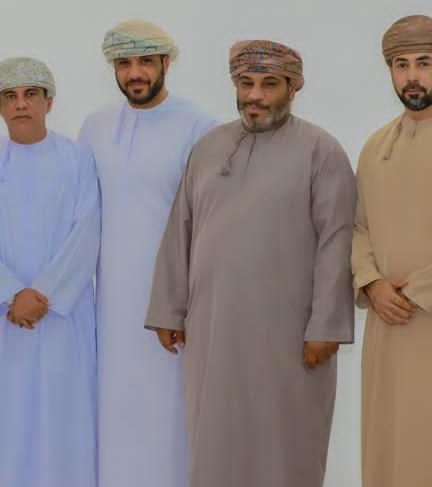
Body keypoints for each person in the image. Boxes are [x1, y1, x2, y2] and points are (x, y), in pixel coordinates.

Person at [146, 40, 356, 487]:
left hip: (288, 335)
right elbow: (180, 228)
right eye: (246, 83)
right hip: (213, 328)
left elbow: (337, 242)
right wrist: (168, 309)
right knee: (214, 439)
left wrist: (326, 326)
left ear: (293, 88)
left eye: (269, 84)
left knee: (284, 442)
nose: (255, 95)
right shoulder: (209, 147)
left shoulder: (322, 151)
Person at [78, 20, 214, 487]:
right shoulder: (95, 127)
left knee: (170, 419)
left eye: (144, 62)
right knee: (115, 415)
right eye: (124, 63)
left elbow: (207, 222)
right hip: (109, 306)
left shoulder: (199, 126)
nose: (134, 73)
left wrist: (183, 302)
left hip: (171, 306)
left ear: (166, 63)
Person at [0, 57, 99, 487]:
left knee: (65, 418)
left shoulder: (78, 159)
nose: (20, 104)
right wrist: (9, 294)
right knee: (2, 421)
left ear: (49, 102)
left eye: (30, 95)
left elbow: (87, 232)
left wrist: (45, 295)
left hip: (62, 319)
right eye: (10, 96)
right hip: (1, 320)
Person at [353, 14, 432, 487]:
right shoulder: (375, 147)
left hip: (424, 317)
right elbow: (358, 226)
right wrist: (372, 284)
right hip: (388, 327)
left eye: (424, 63)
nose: (412, 76)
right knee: (388, 449)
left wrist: (416, 290)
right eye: (401, 65)